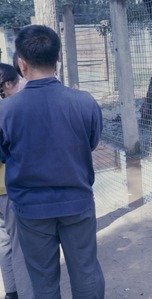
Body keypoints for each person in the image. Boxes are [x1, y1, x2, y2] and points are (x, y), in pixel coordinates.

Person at [0, 25, 105, 298]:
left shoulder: (6, 110)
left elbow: (2, 154)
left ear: (21, 63)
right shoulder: (84, 102)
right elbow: (90, 144)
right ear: (58, 57)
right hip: (77, 203)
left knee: (42, 281)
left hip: (31, 210)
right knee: (86, 271)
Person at [0, 63, 33, 299]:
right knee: (20, 245)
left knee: (3, 243)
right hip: (7, 187)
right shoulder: (7, 110)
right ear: (7, 84)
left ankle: (11, 291)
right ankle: (26, 294)